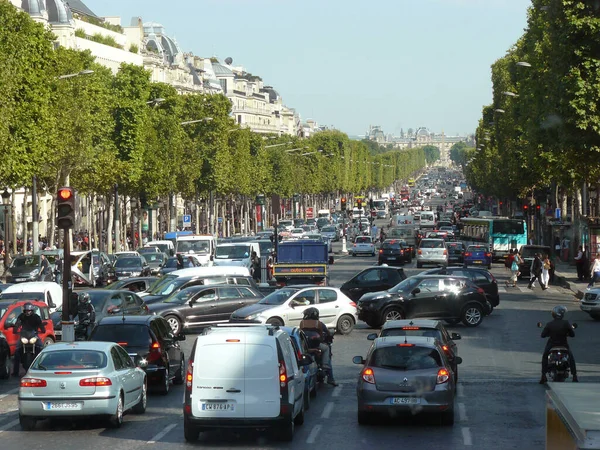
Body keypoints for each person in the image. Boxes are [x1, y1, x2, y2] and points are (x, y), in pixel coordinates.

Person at [299, 307, 337, 386]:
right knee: (326, 349)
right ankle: (329, 376)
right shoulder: (319, 323)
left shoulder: (302, 323)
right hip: (316, 345)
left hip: (306, 345)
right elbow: (327, 332)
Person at [540, 305, 577, 383]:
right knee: (571, 357)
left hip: (552, 345)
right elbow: (572, 335)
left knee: (545, 356)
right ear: (562, 314)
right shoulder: (566, 323)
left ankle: (543, 376)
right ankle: (574, 376)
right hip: (563, 344)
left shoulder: (549, 324)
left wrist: (549, 333)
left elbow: (543, 335)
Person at [12, 302, 46, 377]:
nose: (28, 312)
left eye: (29, 310)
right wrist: (15, 329)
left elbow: (40, 324)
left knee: (41, 348)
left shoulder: (36, 317)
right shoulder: (21, 316)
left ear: (32, 310)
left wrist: (43, 329)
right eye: (26, 311)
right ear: (24, 311)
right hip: (24, 335)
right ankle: (15, 371)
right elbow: (17, 323)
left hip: (34, 335)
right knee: (17, 351)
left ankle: (43, 366)